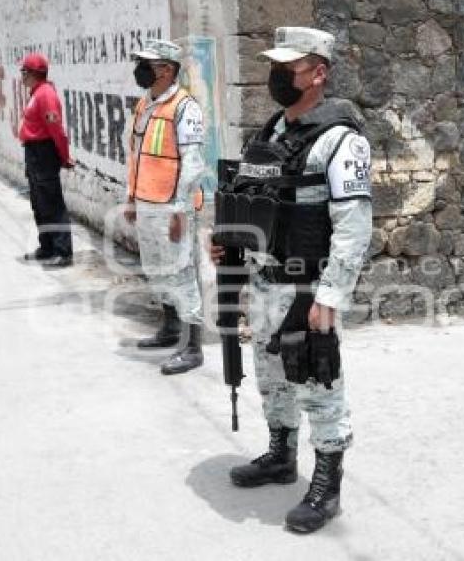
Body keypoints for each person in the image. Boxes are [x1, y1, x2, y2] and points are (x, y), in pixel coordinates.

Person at [211, 27, 373, 533]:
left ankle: (327, 485)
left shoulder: (341, 141)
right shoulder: (270, 135)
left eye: (289, 67)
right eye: (275, 66)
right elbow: (258, 206)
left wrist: (331, 294)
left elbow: (353, 227)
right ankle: (281, 454)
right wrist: (229, 243)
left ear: (319, 73)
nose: (277, 75)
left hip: (306, 286)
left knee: (316, 382)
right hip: (263, 282)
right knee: (271, 376)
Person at [124, 39, 207, 375]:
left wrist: (180, 210)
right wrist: (131, 197)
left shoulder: (186, 108)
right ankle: (171, 328)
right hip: (147, 203)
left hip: (173, 207)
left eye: (150, 63)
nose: (142, 69)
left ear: (168, 69)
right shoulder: (145, 104)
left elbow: (193, 163)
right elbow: (137, 154)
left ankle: (193, 346)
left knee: (182, 274)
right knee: (158, 270)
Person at [18, 53, 74, 268]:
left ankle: (63, 251)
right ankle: (47, 246)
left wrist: (64, 155)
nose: (22, 76)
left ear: (33, 73)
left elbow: (56, 130)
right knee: (39, 203)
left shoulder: (46, 95)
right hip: (34, 154)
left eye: (24, 71)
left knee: (52, 203)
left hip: (43, 152)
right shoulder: (36, 93)